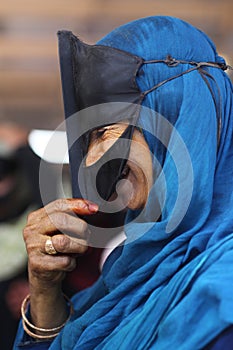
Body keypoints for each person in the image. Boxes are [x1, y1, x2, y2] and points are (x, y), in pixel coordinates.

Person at [13, 16, 233, 349]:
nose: (92, 162)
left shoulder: (221, 290)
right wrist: (45, 295)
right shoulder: (130, 273)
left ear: (177, 116)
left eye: (105, 132)